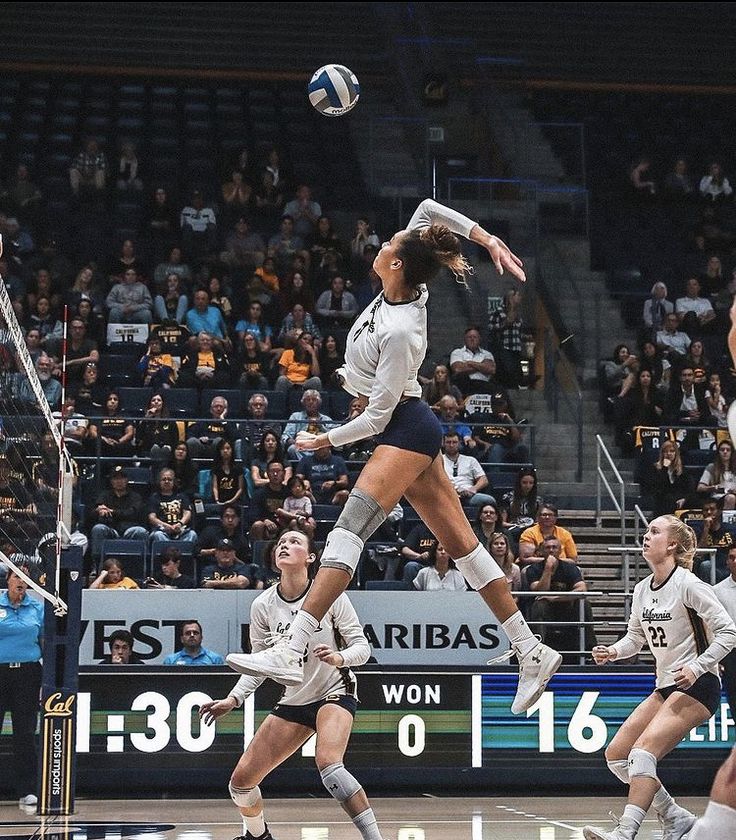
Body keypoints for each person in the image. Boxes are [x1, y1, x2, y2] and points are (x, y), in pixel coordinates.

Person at [225, 197, 561, 716]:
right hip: (407, 424)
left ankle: (291, 649)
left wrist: (325, 440)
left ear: (397, 262)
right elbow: (428, 209)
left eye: (387, 246)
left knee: (347, 529)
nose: (381, 245)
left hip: (405, 425)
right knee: (467, 551)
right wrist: (487, 238)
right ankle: (531, 649)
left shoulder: (402, 330)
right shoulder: (403, 279)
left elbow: (379, 421)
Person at [200, 530, 383, 840]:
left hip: (334, 692)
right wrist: (233, 699)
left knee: (329, 765)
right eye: (281, 543)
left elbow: (362, 649)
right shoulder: (262, 605)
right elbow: (261, 663)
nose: (284, 545)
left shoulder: (331, 595)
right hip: (295, 701)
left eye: (295, 541)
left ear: (311, 558)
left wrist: (340, 658)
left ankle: (375, 838)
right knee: (241, 784)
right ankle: (257, 836)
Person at [583, 516, 736, 840]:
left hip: (699, 684)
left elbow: (729, 632)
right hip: (666, 685)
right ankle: (675, 816)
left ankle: (625, 832)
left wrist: (698, 665)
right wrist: (613, 651)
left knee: (642, 753)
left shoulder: (689, 584)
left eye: (654, 531)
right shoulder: (641, 589)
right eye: (647, 530)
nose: (646, 535)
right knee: (617, 756)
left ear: (672, 545)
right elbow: (635, 639)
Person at [0, 564, 43, 806]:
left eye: (25, 578)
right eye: (17, 576)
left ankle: (27, 789)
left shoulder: (37, 607)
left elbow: (46, 640)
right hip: (0, 672)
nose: (21, 582)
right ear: (8, 580)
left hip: (27, 674)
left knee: (25, 734)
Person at [526, 535, 594, 658]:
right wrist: (547, 570)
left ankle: (590, 651)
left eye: (554, 547)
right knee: (539, 604)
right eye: (547, 548)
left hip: (567, 609)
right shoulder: (533, 569)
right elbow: (540, 591)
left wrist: (555, 598)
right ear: (541, 551)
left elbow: (582, 589)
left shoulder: (570, 568)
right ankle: (538, 651)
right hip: (545, 611)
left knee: (584, 604)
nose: (551, 550)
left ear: (560, 550)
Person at [88, 464, 148, 564]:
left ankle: (142, 565)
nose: (119, 481)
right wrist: (99, 511)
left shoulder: (135, 496)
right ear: (111, 481)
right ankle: (97, 564)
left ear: (127, 480)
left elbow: (133, 513)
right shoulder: (105, 495)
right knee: (98, 529)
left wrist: (112, 512)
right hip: (111, 529)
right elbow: (94, 512)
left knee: (141, 532)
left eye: (122, 478)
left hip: (130, 530)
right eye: (115, 478)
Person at [440, 428, 495, 509]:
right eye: (448, 442)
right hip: (446, 494)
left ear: (459, 443)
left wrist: (473, 489)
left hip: (468, 494)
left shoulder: (470, 460)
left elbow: (484, 479)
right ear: (443, 444)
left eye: (454, 442)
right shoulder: (438, 461)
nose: (451, 445)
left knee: (489, 500)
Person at [714, 544, 736, 725]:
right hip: (731, 653)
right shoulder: (717, 591)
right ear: (727, 561)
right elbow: (711, 627)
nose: (735, 561)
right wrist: (716, 658)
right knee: (734, 698)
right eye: (731, 557)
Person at [147, 468, 198, 546]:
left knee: (192, 534)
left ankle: (182, 556)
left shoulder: (182, 496)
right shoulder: (154, 498)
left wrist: (180, 524)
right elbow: (152, 518)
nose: (166, 481)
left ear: (174, 482)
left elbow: (187, 513)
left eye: (169, 479)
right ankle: (168, 555)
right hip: (162, 531)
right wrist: (165, 526)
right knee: (157, 535)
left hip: (180, 530)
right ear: (159, 482)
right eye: (164, 479)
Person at [692, 498, 735, 584]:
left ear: (719, 511)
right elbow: (699, 553)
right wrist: (706, 528)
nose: (708, 512)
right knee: (706, 565)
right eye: (705, 510)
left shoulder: (732, 529)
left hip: (727, 567)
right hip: (708, 569)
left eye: (712, 509)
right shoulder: (697, 529)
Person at [449, 326, 497, 396]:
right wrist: (481, 366)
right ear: (465, 339)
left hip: (484, 385)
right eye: (469, 337)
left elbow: (491, 369)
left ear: (479, 339)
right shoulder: (457, 352)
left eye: (475, 337)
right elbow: (458, 369)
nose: (472, 339)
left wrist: (470, 363)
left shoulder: (487, 354)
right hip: (464, 386)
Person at [697, 438, 736, 510]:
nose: (725, 452)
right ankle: (725, 520)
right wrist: (712, 488)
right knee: (730, 498)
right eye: (722, 450)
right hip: (718, 498)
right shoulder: (712, 467)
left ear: (732, 452)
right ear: (718, 452)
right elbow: (700, 487)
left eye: (728, 450)